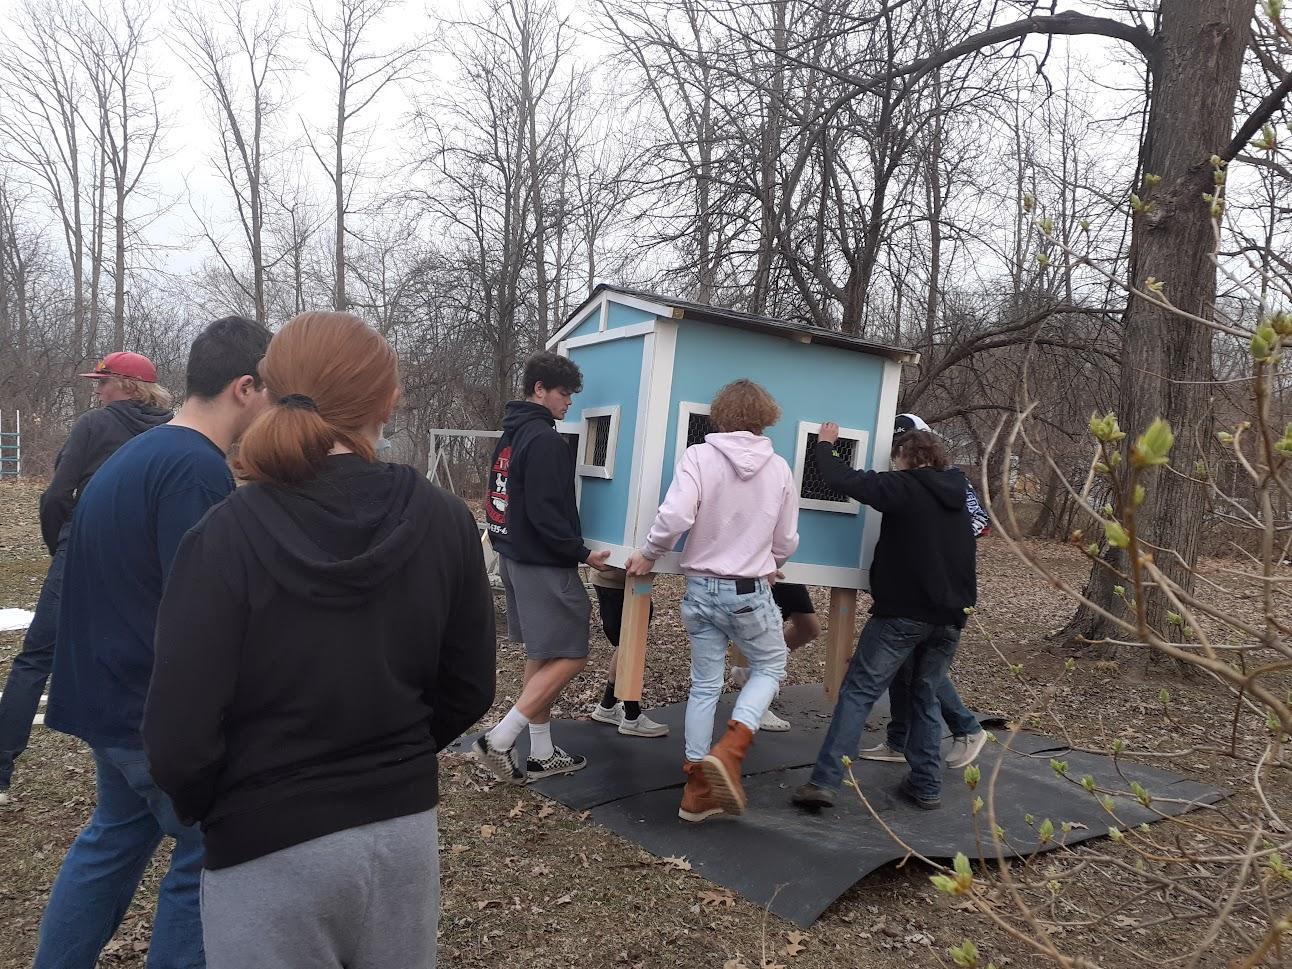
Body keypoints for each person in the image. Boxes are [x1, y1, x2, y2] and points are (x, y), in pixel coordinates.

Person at [143, 312, 495, 969]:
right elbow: (470, 685)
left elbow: (177, 734)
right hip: (401, 839)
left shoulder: (224, 537)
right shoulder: (446, 521)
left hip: (264, 846)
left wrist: (224, 806)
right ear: (387, 402)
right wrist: (389, 764)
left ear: (269, 394)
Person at [33, 316, 271, 969]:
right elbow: (202, 615)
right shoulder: (195, 470)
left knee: (112, 840)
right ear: (246, 388)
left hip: (107, 699)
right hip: (149, 714)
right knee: (209, 855)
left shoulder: (138, 454)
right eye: (272, 393)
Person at [0, 353, 172, 804]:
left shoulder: (94, 425)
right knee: (144, 648)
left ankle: (0, 768)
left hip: (84, 542)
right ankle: (148, 760)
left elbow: (58, 493)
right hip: (143, 552)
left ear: (128, 385)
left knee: (37, 657)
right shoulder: (171, 431)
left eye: (102, 382)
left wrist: (59, 543)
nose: (96, 391)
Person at [626, 379, 798, 823]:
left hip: (700, 590)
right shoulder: (779, 467)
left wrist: (649, 553)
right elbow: (786, 538)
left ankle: (697, 782)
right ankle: (733, 746)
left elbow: (677, 515)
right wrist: (771, 560)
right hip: (747, 591)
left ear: (720, 414)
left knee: (705, 685)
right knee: (770, 665)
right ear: (766, 416)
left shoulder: (699, 456)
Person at [793, 426, 976, 813]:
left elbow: (841, 478)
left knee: (859, 693)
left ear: (907, 457)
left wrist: (825, 445)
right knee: (924, 695)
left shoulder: (903, 486)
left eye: (896, 458)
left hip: (902, 615)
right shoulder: (957, 493)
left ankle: (824, 781)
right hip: (951, 618)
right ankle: (926, 786)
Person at [474, 351, 611, 784]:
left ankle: (542, 752)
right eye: (563, 394)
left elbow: (496, 497)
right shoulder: (547, 442)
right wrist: (582, 552)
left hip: (513, 556)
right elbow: (546, 513)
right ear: (540, 390)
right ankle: (499, 739)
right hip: (543, 562)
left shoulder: (511, 435)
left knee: (544, 654)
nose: (568, 403)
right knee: (572, 655)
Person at [859, 412, 988, 770]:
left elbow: (979, 521)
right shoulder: (914, 479)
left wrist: (935, 544)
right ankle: (899, 741)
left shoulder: (951, 481)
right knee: (906, 671)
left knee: (922, 673)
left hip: (936, 590)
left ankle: (966, 726)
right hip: (915, 586)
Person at [588, 567, 669, 737]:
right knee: (630, 643)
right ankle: (631, 716)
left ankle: (608, 706)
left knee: (626, 644)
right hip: (625, 580)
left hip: (631, 580)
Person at [729, 581, 821, 732]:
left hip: (790, 571)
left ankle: (753, 676)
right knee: (765, 630)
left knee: (809, 628)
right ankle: (757, 706)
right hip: (764, 569)